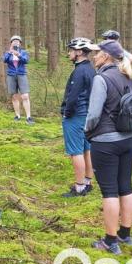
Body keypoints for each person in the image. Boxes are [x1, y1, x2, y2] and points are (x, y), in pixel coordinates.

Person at [84, 39, 132, 255]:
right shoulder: (128, 76)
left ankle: (110, 240)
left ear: (106, 56)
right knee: (126, 185)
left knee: (109, 191)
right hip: (129, 138)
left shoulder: (101, 79)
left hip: (106, 142)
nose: (94, 56)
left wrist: (87, 131)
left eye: (97, 53)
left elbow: (94, 114)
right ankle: (125, 234)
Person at [60, 38, 97, 198]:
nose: (69, 53)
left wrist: (66, 113)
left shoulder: (79, 71)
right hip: (88, 115)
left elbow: (73, 96)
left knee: (76, 151)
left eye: (71, 50)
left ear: (79, 52)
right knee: (86, 149)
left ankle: (79, 187)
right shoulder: (90, 69)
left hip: (77, 115)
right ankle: (87, 182)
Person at [3, 35, 34, 124]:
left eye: (18, 41)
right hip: (11, 75)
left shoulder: (23, 52)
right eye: (14, 41)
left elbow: (26, 61)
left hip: (21, 74)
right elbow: (4, 60)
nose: (16, 42)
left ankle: (28, 117)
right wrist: (10, 52)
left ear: (20, 43)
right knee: (14, 96)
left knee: (25, 96)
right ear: (11, 43)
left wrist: (19, 55)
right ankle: (17, 116)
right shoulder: (8, 53)